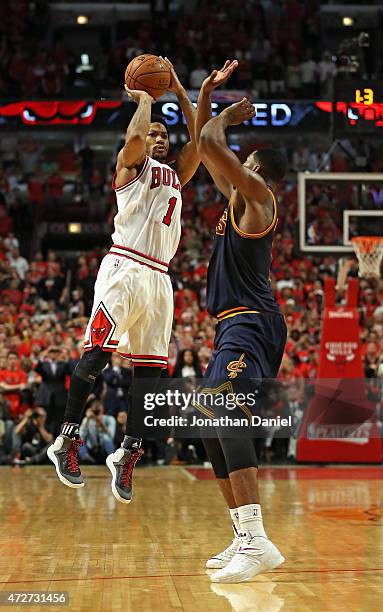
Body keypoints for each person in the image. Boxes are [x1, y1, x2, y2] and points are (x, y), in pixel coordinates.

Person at [48, 57, 200, 501]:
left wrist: (180, 94)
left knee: (152, 377)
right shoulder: (129, 166)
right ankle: (67, 439)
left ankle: (127, 453)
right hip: (124, 267)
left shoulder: (176, 173)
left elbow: (201, 142)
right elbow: (134, 135)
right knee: (97, 356)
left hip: (159, 279)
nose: (156, 137)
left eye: (162, 135)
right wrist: (147, 99)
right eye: (153, 131)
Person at [195, 61, 288, 583]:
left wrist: (225, 114)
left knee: (225, 413)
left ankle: (256, 539)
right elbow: (203, 142)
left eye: (243, 160)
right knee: (207, 422)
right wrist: (205, 93)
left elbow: (211, 142)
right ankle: (243, 535)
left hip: (251, 323)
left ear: (257, 171)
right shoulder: (235, 197)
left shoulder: (258, 198)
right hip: (234, 324)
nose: (234, 165)